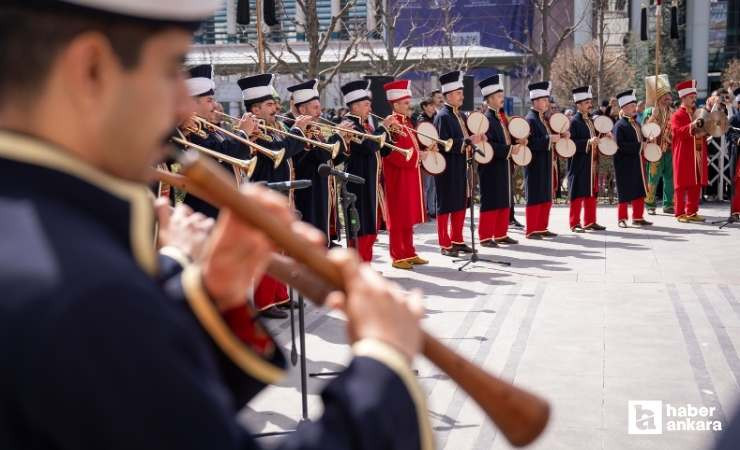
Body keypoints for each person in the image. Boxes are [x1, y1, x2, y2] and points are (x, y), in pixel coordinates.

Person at [0, 1, 433, 449]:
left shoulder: (43, 235)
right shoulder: (87, 288)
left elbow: (147, 410)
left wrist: (204, 296)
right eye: (170, 70)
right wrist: (384, 368)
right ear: (90, 69)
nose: (184, 104)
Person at [237, 73, 310, 319]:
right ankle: (264, 301)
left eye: (274, 104)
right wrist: (298, 132)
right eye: (269, 105)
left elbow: (290, 150)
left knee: (282, 248)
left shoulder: (275, 127)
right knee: (268, 249)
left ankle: (281, 295)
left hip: (282, 194)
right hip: (264, 194)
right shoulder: (254, 131)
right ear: (255, 108)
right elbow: (280, 150)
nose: (275, 108)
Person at [328, 80, 394, 262]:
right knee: (360, 228)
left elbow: (384, 149)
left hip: (370, 181)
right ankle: (359, 266)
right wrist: (383, 129)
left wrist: (389, 133)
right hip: (357, 182)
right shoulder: (349, 124)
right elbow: (368, 147)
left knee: (370, 227)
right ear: (355, 106)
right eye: (366, 104)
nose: (370, 107)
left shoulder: (365, 125)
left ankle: (366, 264)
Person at [433, 70, 485, 256]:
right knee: (446, 206)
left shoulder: (461, 115)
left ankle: (457, 239)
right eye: (458, 93)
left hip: (462, 165)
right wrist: (467, 142)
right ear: (448, 95)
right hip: (447, 168)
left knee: (460, 204)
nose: (462, 97)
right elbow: (442, 143)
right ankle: (444, 243)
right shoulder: (442, 116)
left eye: (462, 93)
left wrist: (475, 140)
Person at [288, 79, 345, 243]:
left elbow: (331, 158)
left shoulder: (315, 129)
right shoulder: (292, 128)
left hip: (322, 189)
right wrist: (337, 138)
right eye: (315, 108)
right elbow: (317, 156)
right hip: (306, 191)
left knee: (323, 234)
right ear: (302, 109)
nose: (320, 112)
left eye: (319, 107)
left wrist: (344, 144)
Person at [381, 79, 428, 269]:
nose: (410, 106)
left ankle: (409, 251)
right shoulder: (392, 125)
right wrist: (418, 156)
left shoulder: (406, 122)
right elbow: (393, 154)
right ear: (396, 104)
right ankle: (397, 255)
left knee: (407, 216)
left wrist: (422, 152)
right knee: (398, 216)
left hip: (410, 175)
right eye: (406, 103)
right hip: (398, 177)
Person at [477, 74, 521, 246]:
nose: (501, 99)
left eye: (501, 95)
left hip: (503, 163)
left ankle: (501, 233)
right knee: (491, 199)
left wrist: (517, 141)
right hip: (490, 166)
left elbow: (505, 139)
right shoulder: (486, 119)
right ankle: (486, 236)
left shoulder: (499, 117)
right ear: (489, 100)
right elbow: (490, 146)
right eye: (498, 96)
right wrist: (509, 149)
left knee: (503, 198)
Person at [524, 81, 561, 239]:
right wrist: (549, 138)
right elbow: (530, 143)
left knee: (545, 194)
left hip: (544, 161)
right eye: (544, 100)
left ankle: (542, 226)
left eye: (547, 100)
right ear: (535, 101)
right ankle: (532, 229)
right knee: (535, 195)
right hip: (535, 163)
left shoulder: (541, 118)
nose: (547, 103)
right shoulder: (530, 119)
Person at [568, 86, 606, 232]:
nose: (590, 105)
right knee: (577, 193)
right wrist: (588, 143)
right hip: (579, 163)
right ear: (578, 105)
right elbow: (571, 144)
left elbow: (594, 137)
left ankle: (590, 221)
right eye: (586, 102)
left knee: (592, 192)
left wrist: (603, 135)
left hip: (592, 162)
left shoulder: (590, 120)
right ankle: (574, 223)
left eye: (590, 102)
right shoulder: (574, 122)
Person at [612, 89, 653, 227]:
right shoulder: (619, 125)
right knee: (624, 191)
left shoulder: (636, 123)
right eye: (631, 106)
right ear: (623, 108)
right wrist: (640, 145)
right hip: (624, 163)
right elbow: (620, 145)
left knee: (639, 189)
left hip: (637, 161)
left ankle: (638, 217)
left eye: (634, 105)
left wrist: (647, 139)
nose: (634, 108)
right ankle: (621, 218)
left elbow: (640, 139)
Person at [671, 80, 709, 223]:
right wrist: (692, 125)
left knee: (696, 182)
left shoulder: (697, 113)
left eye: (694, 97)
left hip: (698, 152)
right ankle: (680, 213)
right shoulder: (677, 115)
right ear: (683, 98)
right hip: (683, 153)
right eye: (691, 97)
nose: (694, 99)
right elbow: (677, 132)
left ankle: (692, 212)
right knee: (681, 183)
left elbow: (703, 131)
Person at [643, 75, 675, 215]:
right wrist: (652, 116)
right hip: (655, 149)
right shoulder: (649, 111)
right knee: (653, 177)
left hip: (669, 149)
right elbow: (645, 129)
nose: (668, 97)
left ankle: (668, 204)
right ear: (659, 96)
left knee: (670, 178)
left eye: (669, 94)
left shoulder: (673, 112)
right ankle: (650, 204)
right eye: (665, 95)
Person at [416, 99, 438, 219]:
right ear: (424, 107)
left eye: (433, 105)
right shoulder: (420, 120)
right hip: (425, 154)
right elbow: (419, 138)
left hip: (434, 153)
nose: (433, 107)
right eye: (430, 105)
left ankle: (432, 210)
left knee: (433, 185)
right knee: (426, 186)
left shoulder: (436, 118)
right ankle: (424, 211)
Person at [729, 89, 740, 218]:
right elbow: (730, 134)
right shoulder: (734, 119)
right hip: (738, 155)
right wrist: (737, 139)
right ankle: (736, 210)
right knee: (738, 183)